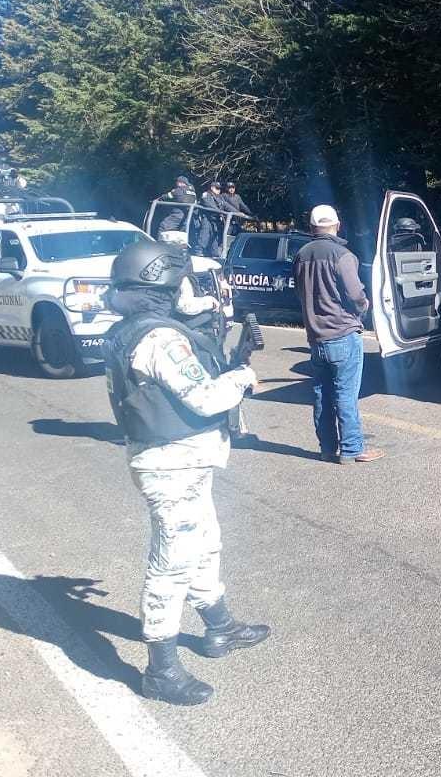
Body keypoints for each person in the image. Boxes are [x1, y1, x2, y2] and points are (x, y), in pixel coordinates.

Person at [102, 240, 269, 707]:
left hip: (177, 460)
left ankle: (219, 627)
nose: (184, 292)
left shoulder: (129, 330)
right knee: (171, 564)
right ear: (163, 284)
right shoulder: (159, 338)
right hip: (172, 463)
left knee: (204, 543)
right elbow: (205, 398)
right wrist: (241, 378)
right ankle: (161, 669)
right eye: (179, 284)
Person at [292, 205, 382, 464]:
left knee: (321, 393)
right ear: (337, 225)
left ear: (312, 228)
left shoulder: (301, 255)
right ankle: (353, 449)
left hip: (315, 336)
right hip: (342, 333)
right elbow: (356, 295)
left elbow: (299, 291)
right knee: (346, 394)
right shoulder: (342, 254)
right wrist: (362, 309)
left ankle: (328, 448)